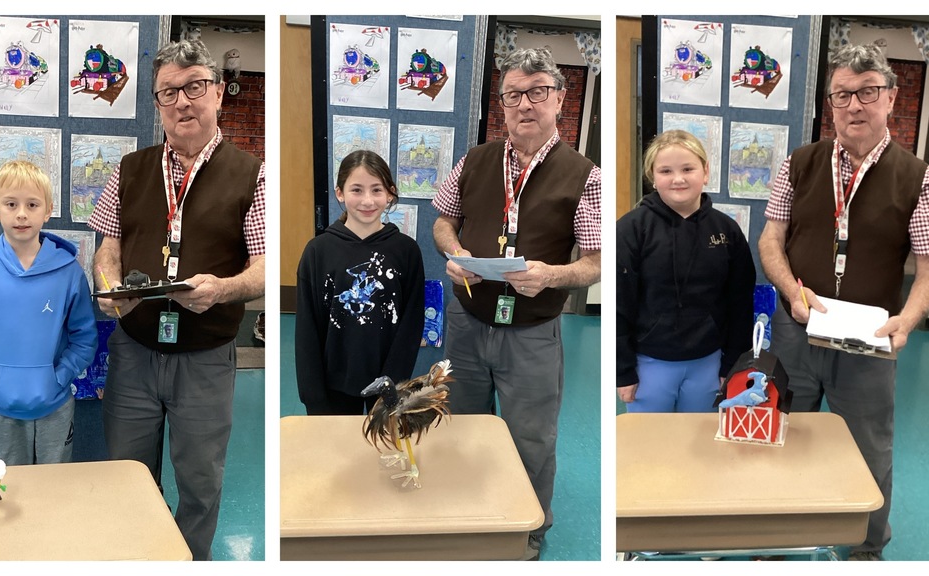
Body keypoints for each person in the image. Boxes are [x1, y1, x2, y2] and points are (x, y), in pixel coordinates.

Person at [758, 43, 929, 561]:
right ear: (829, 103)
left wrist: (907, 319)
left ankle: (864, 549)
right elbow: (771, 239)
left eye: (867, 92)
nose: (855, 105)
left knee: (869, 449)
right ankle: (777, 538)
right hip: (797, 328)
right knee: (784, 433)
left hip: (869, 342)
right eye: (843, 95)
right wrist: (792, 293)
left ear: (890, 98)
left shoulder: (923, 181)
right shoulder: (797, 163)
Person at [87, 39, 265, 561]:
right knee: (128, 475)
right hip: (135, 353)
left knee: (200, 484)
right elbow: (109, 246)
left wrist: (223, 290)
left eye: (195, 88)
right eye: (169, 92)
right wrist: (107, 283)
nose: (183, 101)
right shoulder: (129, 168)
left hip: (205, 361)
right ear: (157, 102)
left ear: (218, 95)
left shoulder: (253, 173)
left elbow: (263, 267)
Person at [431, 47, 601, 560]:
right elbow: (443, 220)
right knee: (460, 424)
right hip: (467, 320)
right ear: (502, 103)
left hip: (531, 333)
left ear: (559, 100)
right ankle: (469, 515)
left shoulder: (584, 175)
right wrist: (455, 251)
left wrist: (553, 276)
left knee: (532, 439)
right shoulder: (476, 159)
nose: (524, 104)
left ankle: (526, 535)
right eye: (513, 95)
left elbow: (594, 263)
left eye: (537, 93)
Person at [0, 160, 98, 466]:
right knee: (6, 491)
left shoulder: (69, 272)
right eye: (11, 204)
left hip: (55, 406)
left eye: (32, 204)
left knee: (53, 490)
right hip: (0, 407)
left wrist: (59, 377)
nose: (21, 214)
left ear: (48, 210)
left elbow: (85, 338)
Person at [616, 130, 755, 412]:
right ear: (653, 177)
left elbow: (740, 302)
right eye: (666, 170)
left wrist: (733, 364)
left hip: (708, 362)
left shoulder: (727, 231)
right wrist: (623, 371)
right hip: (650, 364)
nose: (678, 179)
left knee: (700, 445)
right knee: (650, 448)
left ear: (705, 172)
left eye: (688, 169)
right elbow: (620, 305)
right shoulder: (631, 229)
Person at [295, 150, 425, 415]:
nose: (367, 200)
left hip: (389, 383)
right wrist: (313, 395)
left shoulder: (406, 251)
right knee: (337, 454)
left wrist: (394, 380)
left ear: (390, 193)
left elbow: (411, 323)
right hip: (333, 385)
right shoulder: (318, 251)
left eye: (376, 190)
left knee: (386, 452)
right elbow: (307, 329)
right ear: (339, 193)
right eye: (357, 190)